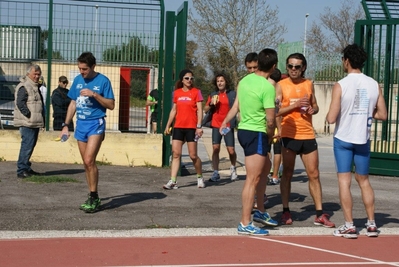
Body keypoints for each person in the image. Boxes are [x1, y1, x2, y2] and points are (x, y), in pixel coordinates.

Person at [326, 44, 387, 239]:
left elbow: (331, 118)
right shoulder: (373, 83)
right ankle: (371, 224)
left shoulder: (341, 84)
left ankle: (350, 225)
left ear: (346, 61)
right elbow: (383, 114)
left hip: (344, 139)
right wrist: (366, 112)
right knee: (365, 181)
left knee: (344, 181)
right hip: (363, 139)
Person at [221, 48, 279, 235]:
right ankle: (245, 222)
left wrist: (225, 121)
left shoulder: (244, 81)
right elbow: (271, 120)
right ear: (274, 66)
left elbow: (236, 106)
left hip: (245, 132)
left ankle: (260, 211)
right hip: (257, 133)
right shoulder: (268, 87)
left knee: (264, 170)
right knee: (252, 179)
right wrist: (270, 136)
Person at [276, 52, 335, 228]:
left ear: (303, 68)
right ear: (286, 67)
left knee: (314, 174)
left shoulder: (309, 84)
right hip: (288, 134)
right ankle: (286, 211)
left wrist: (312, 109)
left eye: (297, 67)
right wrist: (293, 105)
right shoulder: (280, 85)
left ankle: (319, 214)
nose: (293, 69)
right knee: (287, 173)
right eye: (290, 66)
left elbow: (315, 105)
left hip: (307, 134)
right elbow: (276, 111)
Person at [61, 52, 115, 213]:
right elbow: (72, 103)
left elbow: (111, 105)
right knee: (86, 163)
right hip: (81, 125)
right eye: (79, 68)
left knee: (89, 159)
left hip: (96, 124)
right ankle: (93, 195)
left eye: (84, 69)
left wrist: (95, 95)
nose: (82, 72)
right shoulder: (78, 81)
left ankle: (93, 196)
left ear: (93, 67)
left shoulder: (103, 81)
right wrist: (66, 125)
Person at [163, 69, 205, 189]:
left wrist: (199, 126)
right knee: (176, 154)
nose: (189, 80)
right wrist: (168, 125)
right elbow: (174, 110)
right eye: (187, 78)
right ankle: (173, 181)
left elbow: (200, 110)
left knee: (193, 155)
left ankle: (199, 176)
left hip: (191, 128)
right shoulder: (177, 93)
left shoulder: (196, 92)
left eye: (191, 78)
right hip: (178, 127)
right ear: (182, 80)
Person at [204, 73, 238, 182]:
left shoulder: (232, 94)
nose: (220, 83)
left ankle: (233, 167)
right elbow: (205, 109)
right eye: (218, 81)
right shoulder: (213, 94)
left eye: (222, 81)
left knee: (231, 150)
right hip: (216, 124)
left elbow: (237, 106)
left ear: (226, 82)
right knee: (215, 148)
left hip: (227, 125)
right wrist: (211, 104)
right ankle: (216, 172)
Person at [14, 64, 45, 178]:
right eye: (35, 74)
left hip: (34, 122)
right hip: (27, 122)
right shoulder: (24, 86)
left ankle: (26, 167)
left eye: (38, 74)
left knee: (30, 145)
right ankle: (21, 169)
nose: (37, 76)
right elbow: (20, 103)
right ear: (28, 74)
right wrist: (29, 115)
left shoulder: (35, 86)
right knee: (27, 145)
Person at [268, 68, 283, 186]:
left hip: (268, 121)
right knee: (277, 150)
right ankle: (275, 175)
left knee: (267, 149)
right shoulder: (280, 86)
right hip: (278, 121)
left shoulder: (267, 85)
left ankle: (268, 172)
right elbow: (279, 104)